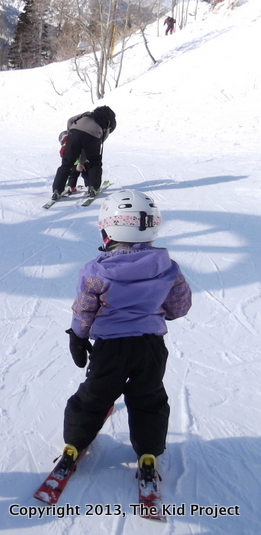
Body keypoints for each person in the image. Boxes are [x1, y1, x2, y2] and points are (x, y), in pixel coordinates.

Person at [59, 189, 192, 486]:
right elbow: (180, 306)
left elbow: (84, 310)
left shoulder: (95, 272)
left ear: (109, 229)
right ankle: (148, 453)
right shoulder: (168, 268)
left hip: (110, 349)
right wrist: (155, 311)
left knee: (95, 395)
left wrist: (78, 337)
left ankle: (74, 443)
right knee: (149, 396)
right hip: (150, 347)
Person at [50, 106, 116, 200]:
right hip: (93, 136)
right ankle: (93, 187)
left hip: (74, 133)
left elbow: (70, 120)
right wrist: (82, 161)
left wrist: (71, 134)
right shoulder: (106, 124)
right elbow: (100, 141)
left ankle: (57, 189)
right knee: (95, 162)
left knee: (66, 163)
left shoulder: (86, 114)